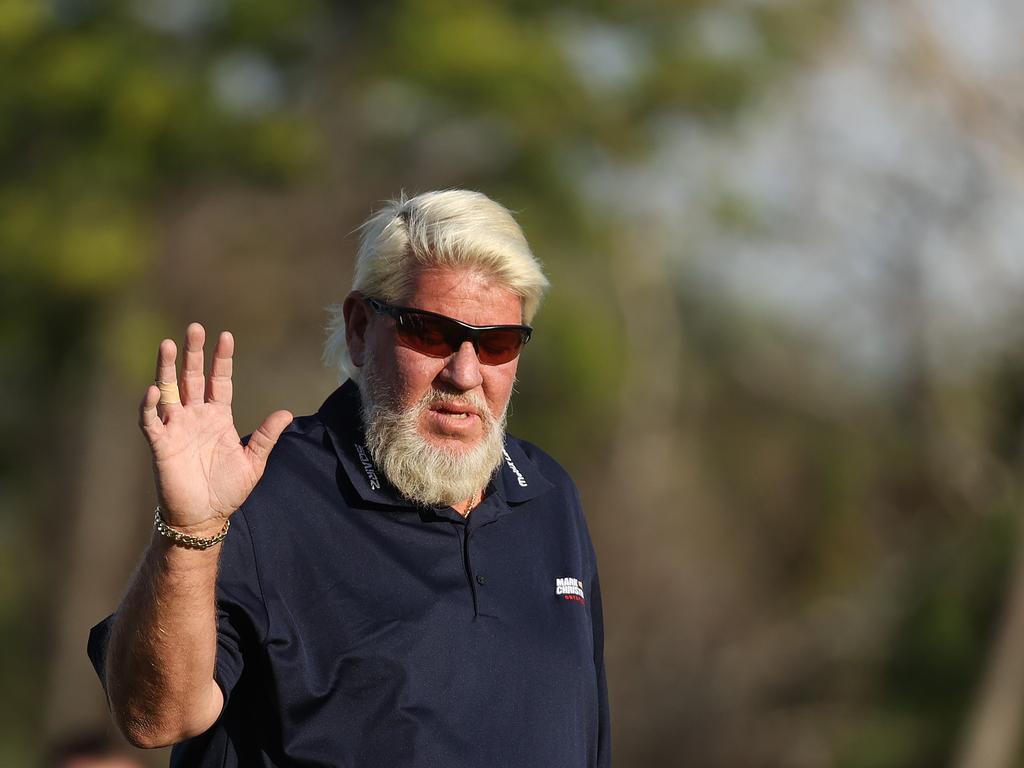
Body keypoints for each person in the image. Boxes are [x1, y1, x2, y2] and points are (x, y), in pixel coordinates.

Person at [88, 189, 610, 767]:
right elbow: (155, 715)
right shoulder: (264, 490)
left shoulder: (549, 496)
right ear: (361, 328)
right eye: (430, 333)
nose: (464, 374)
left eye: (497, 344)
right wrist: (190, 530)